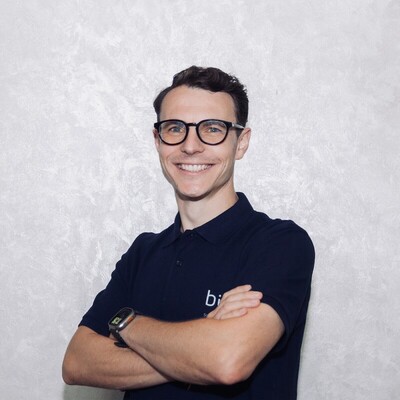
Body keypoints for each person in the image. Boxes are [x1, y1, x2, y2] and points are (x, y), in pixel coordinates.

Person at [62, 66, 315, 399]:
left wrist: (127, 324)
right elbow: (77, 363)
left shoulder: (280, 243)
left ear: (241, 143)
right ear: (158, 141)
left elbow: (227, 362)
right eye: (175, 128)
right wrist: (204, 340)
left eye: (213, 129)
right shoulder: (143, 252)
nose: (190, 146)